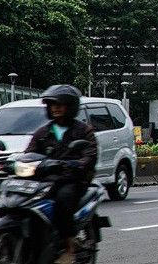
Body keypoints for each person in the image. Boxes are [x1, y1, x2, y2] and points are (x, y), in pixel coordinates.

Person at [25, 85, 97, 264]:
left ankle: (69, 247)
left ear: (70, 106)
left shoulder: (83, 131)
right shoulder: (42, 132)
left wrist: (77, 164)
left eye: (60, 104)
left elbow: (90, 155)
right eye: (51, 104)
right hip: (46, 180)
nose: (55, 107)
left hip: (73, 180)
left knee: (63, 199)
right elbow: (29, 153)